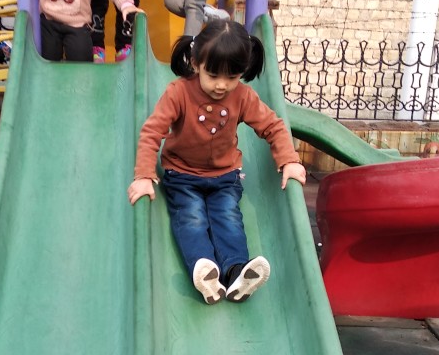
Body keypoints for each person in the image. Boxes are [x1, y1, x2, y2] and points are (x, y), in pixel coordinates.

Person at [127, 20, 308, 304]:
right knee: (192, 217)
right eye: (212, 75)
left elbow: (273, 126)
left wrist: (289, 160)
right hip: (182, 175)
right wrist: (143, 175)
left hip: (225, 176)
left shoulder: (243, 96)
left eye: (232, 76)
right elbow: (152, 131)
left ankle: (236, 272)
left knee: (228, 217)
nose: (222, 85)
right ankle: (205, 270)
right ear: (196, 63)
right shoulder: (179, 92)